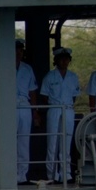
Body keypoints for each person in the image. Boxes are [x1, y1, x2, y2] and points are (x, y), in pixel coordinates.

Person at [39, 46, 80, 183]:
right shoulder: (50, 76)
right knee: (52, 143)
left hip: (68, 109)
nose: (64, 62)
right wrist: (54, 104)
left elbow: (74, 96)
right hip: (54, 108)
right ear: (56, 60)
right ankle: (51, 174)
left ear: (69, 60)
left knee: (66, 143)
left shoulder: (73, 77)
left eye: (66, 59)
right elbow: (44, 95)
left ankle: (65, 174)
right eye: (61, 59)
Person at [14, 39, 40, 184]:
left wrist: (35, 112)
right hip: (8, 104)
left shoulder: (27, 69)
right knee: (9, 140)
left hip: (24, 105)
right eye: (16, 49)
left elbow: (33, 92)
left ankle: (22, 175)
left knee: (24, 141)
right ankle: (10, 172)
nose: (18, 52)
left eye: (20, 50)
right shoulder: (3, 66)